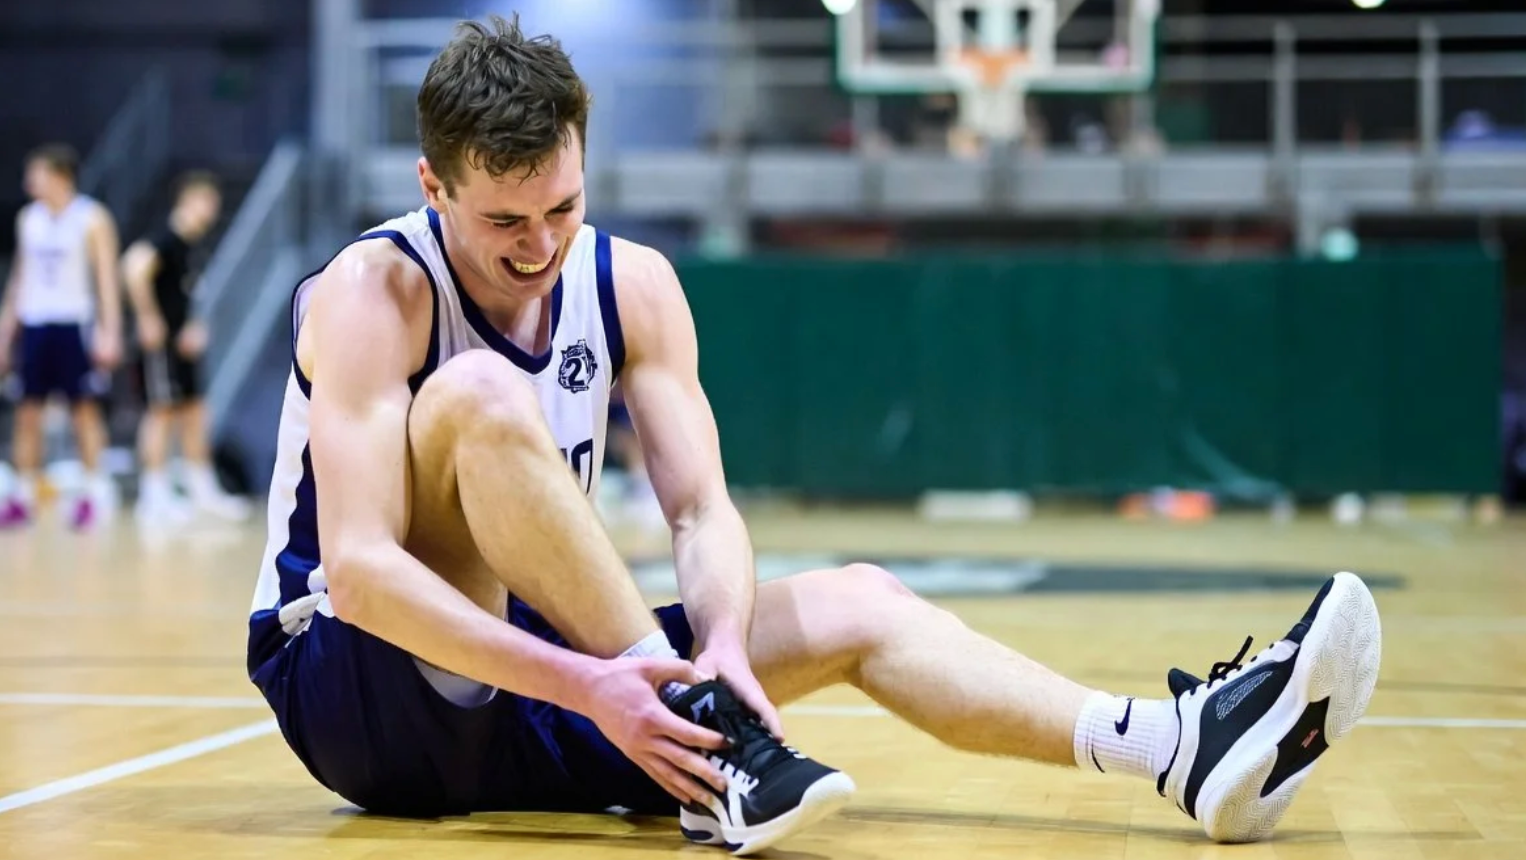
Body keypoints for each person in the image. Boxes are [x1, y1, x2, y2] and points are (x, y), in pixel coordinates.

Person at [246, 16, 1384, 856]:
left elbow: (700, 510)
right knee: (479, 397)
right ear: (431, 185)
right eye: (503, 220)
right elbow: (359, 573)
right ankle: (710, 730)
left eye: (562, 206)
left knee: (859, 598)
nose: (540, 244)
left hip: (557, 673)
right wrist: (603, 682)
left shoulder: (629, 282)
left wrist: (727, 640)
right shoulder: (372, 292)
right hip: (361, 689)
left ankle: (1174, 746)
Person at [0, 143, 122, 529]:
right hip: (36, 323)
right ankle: (22, 494)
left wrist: (110, 331)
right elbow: (20, 279)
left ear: (60, 175)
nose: (28, 181)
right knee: (27, 411)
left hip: (74, 323)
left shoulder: (91, 218)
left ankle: (94, 491)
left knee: (83, 410)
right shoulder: (29, 218)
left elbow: (106, 279)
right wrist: (5, 334)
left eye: (36, 173)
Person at [122, 171, 251, 524]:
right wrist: (148, 318)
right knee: (161, 411)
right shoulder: (166, 238)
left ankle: (201, 488)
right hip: (162, 345)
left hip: (183, 345)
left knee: (196, 411)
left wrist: (194, 325)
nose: (212, 210)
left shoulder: (193, 243)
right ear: (189, 200)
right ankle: (153, 494)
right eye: (208, 202)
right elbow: (133, 267)